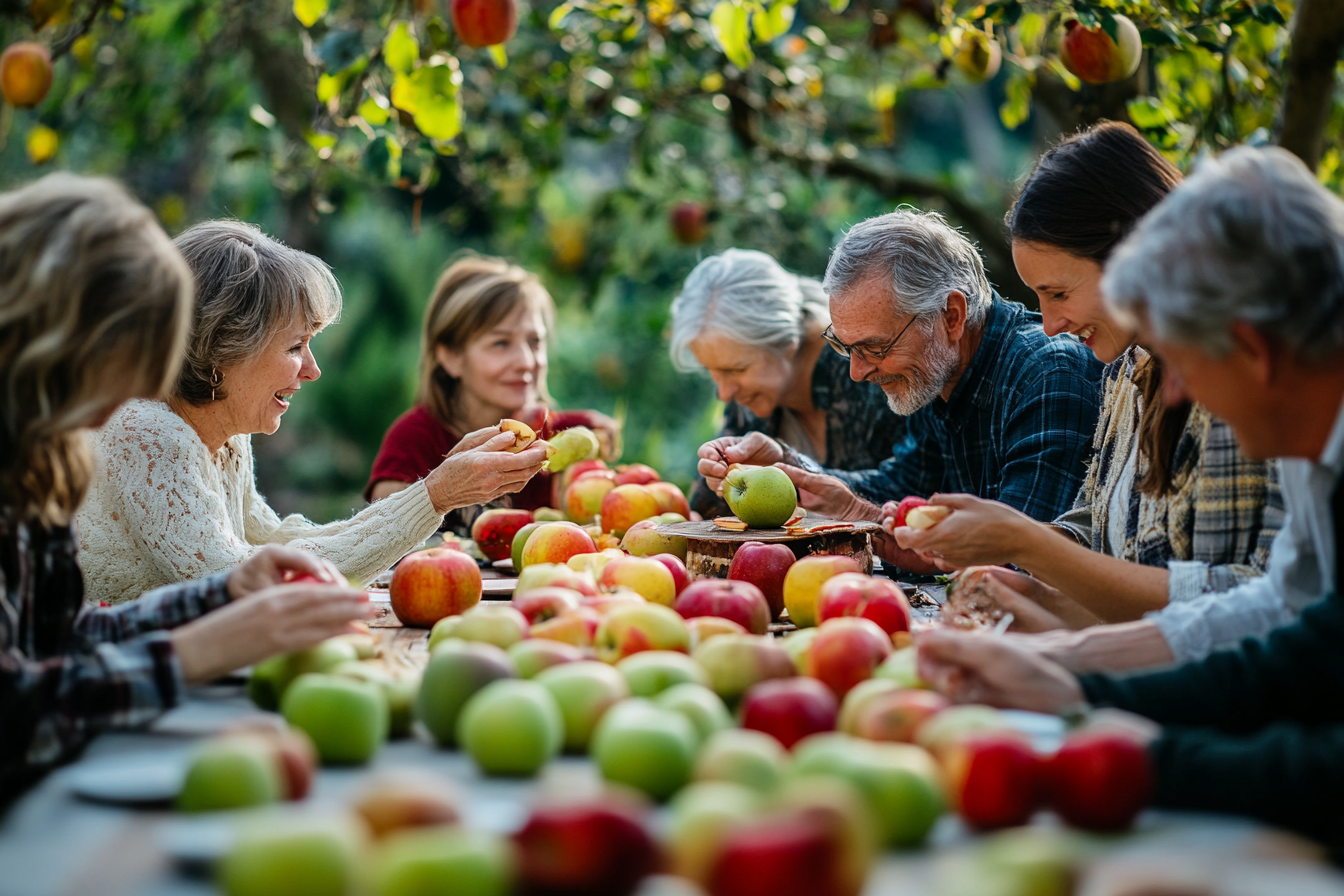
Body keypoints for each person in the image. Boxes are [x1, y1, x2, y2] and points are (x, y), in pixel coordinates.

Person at [916, 147, 1344, 856]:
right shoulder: (1310, 430)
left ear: (1252, 350)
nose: (1173, 395)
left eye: (1181, 367)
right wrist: (1075, 675)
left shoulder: (1284, 428)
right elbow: (1303, 630)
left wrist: (1135, 759)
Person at [1, 174, 374, 800]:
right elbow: (13, 716)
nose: (147, 382)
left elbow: (55, 640)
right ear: (52, 336)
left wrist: (219, 595)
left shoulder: (35, 461)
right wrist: (193, 651)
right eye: (129, 352)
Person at [892, 122, 1282, 629]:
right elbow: (1095, 522)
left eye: (1058, 293)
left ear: (1130, 259)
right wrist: (1024, 564)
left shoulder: (1233, 376)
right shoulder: (1126, 365)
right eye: (1038, 297)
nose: (1051, 324)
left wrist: (1022, 543)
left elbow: (1247, 601)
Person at [75, 224, 550, 604]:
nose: (313, 370)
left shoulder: (225, 435)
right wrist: (436, 494)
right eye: (296, 345)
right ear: (223, 348)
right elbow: (241, 581)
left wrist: (438, 491)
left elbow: (278, 540)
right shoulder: (148, 433)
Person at [698, 209, 1103, 572]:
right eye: (845, 347)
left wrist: (860, 514)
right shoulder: (939, 370)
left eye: (875, 347)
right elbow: (902, 484)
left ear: (952, 316)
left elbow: (1021, 563)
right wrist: (791, 468)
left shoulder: (1048, 375)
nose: (857, 373)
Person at [365, 254, 620, 534]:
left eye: (535, 342)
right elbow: (377, 536)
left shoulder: (552, 436)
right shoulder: (415, 440)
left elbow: (594, 432)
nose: (526, 361)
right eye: (501, 343)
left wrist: (593, 429)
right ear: (450, 356)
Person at [668, 249, 907, 518]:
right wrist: (718, 481)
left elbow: (915, 488)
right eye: (712, 372)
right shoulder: (748, 395)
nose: (724, 392)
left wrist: (790, 466)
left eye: (736, 369)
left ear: (787, 342)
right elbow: (707, 513)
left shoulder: (864, 371)